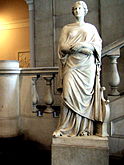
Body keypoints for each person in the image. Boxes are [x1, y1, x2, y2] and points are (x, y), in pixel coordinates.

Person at [53, 1, 103, 137]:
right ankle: (64, 128)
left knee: (86, 98)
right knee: (67, 94)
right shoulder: (66, 28)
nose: (77, 10)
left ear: (85, 10)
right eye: (75, 8)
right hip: (72, 65)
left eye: (80, 8)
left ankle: (84, 129)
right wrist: (79, 47)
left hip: (87, 66)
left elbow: (97, 46)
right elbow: (62, 46)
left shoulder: (91, 28)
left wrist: (81, 46)